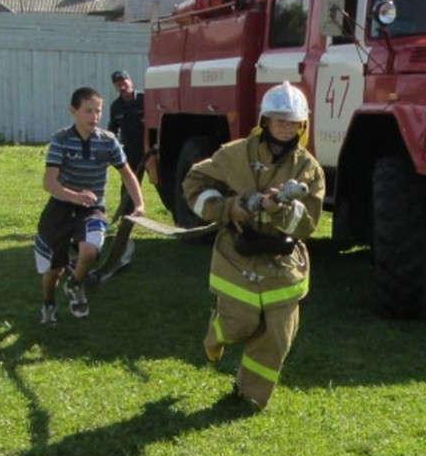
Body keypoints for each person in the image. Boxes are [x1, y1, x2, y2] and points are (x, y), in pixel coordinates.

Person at [183, 82, 326, 412]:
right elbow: (194, 182)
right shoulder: (235, 154)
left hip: (282, 262)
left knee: (277, 336)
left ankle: (249, 397)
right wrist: (228, 208)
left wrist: (283, 211)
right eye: (280, 121)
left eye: (293, 122)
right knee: (239, 322)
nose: (286, 128)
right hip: (237, 252)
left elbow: (308, 225)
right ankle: (216, 335)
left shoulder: (308, 170)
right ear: (265, 121)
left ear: (302, 125)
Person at [34, 86, 144, 324]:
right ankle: (49, 302)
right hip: (60, 208)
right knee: (53, 270)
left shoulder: (108, 141)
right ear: (73, 111)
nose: (94, 117)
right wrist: (74, 196)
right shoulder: (61, 140)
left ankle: (74, 285)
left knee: (90, 250)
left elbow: (127, 175)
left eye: (98, 111)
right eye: (88, 111)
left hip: (93, 208)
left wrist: (139, 204)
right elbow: (49, 183)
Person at [104, 69, 148, 268]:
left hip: (151, 150)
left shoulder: (144, 100)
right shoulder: (116, 106)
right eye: (118, 83)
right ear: (115, 86)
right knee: (128, 188)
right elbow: (113, 129)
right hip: (131, 152)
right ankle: (126, 222)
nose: (122, 85)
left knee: (163, 183)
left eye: (124, 81)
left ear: (131, 81)